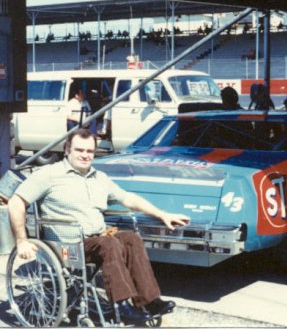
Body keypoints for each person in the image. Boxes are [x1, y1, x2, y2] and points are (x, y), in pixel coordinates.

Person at [8, 128, 190, 324]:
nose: (85, 155)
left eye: (90, 151)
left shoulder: (99, 178)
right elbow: (16, 202)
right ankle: (120, 306)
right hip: (67, 247)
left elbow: (128, 198)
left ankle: (149, 301)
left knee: (131, 239)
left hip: (98, 238)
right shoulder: (49, 174)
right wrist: (21, 240)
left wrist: (163, 214)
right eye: (79, 150)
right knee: (108, 244)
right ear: (67, 149)